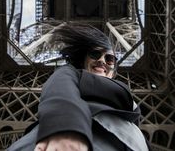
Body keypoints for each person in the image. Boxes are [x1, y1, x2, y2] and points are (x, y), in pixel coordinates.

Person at [8, 23, 150, 151]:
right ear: (84, 60)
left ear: (113, 71)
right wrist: (65, 128)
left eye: (110, 59)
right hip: (81, 137)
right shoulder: (75, 73)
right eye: (95, 54)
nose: (102, 60)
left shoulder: (124, 94)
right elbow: (60, 88)